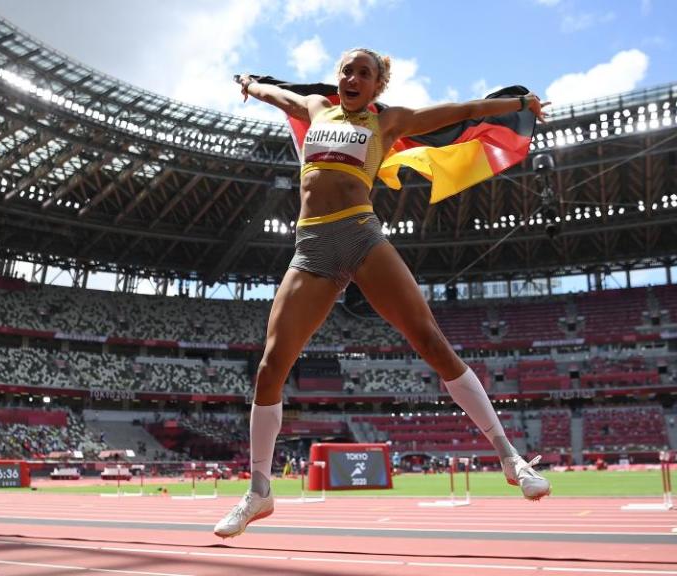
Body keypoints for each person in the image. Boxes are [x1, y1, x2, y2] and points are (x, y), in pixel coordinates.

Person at [214, 47, 551, 539]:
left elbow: (463, 111)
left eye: (364, 73)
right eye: (347, 70)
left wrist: (519, 103)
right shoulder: (316, 109)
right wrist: (248, 84)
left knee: (430, 340)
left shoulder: (389, 120)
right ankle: (260, 490)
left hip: (361, 235)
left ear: (376, 86)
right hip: (311, 246)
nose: (353, 77)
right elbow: (275, 94)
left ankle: (510, 458)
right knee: (270, 366)